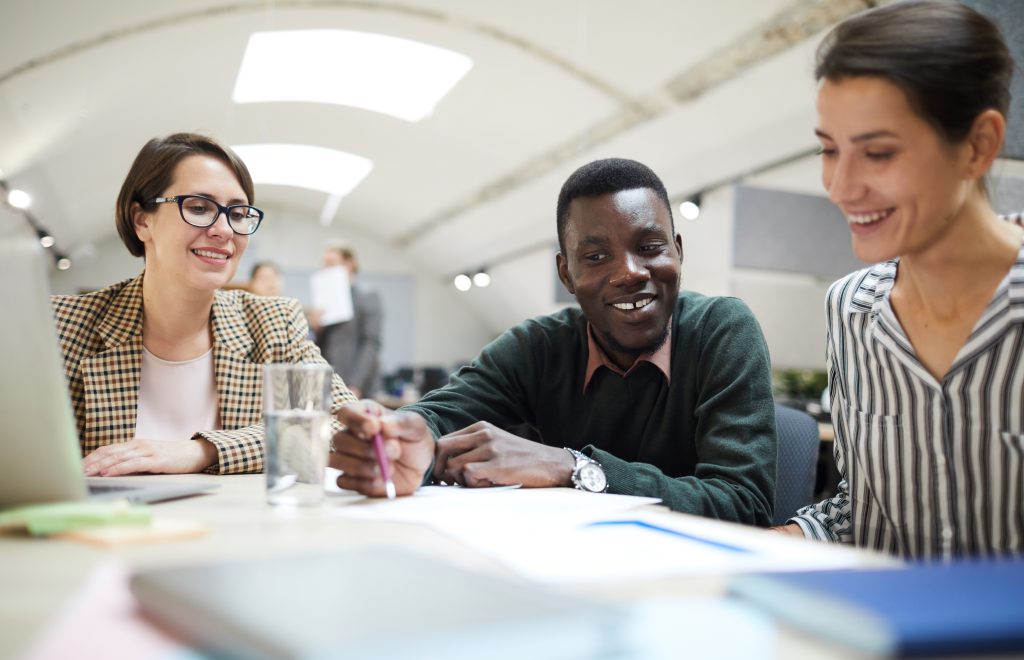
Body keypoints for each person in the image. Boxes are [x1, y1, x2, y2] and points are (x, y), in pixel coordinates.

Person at [332, 158, 778, 524]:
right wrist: (407, 445)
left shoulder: (722, 330)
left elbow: (743, 504)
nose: (630, 272)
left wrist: (574, 467)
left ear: (677, 251)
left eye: (649, 246)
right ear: (566, 273)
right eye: (597, 256)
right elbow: (437, 415)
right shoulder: (538, 347)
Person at [771, 0, 1024, 557]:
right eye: (829, 150)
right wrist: (780, 541)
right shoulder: (850, 309)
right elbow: (863, 507)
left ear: (978, 145)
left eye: (878, 153)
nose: (840, 186)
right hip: (879, 633)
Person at [53, 133, 355, 476]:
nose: (224, 229)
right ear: (142, 220)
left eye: (238, 213)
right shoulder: (63, 327)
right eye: (199, 208)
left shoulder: (272, 324)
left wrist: (204, 450)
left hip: (238, 528)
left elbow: (341, 426)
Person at [312, 243, 383, 399]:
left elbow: (371, 343)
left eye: (331, 263)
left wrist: (355, 384)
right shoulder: (326, 300)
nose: (326, 269)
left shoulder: (367, 296)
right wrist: (316, 328)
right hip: (329, 382)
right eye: (324, 264)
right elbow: (320, 346)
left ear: (349, 264)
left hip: (358, 386)